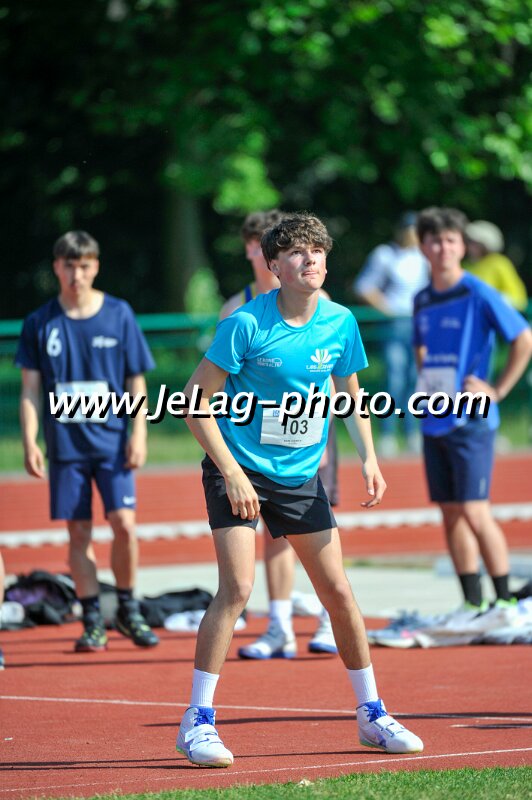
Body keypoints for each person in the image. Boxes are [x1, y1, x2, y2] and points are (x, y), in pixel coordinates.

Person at [176, 212, 423, 767]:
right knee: (237, 589)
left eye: (317, 251)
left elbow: (350, 393)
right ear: (274, 266)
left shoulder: (340, 321)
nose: (309, 259)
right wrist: (232, 473)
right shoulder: (245, 323)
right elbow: (193, 402)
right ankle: (198, 721)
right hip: (238, 466)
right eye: (295, 252)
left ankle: (372, 713)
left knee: (338, 592)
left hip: (300, 474)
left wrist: (369, 457)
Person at [15, 230, 159, 653]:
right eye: (68, 266)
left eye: (84, 266)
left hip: (113, 443)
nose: (76, 274)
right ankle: (92, 618)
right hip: (66, 447)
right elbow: (29, 390)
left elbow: (136, 380)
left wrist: (139, 431)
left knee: (124, 525)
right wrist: (30, 440)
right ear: (56, 268)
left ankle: (128, 608)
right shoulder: (40, 322)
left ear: (95, 267)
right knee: (78, 532)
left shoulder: (119, 313)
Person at [222, 210, 339, 659]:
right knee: (270, 534)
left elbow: (335, 374)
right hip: (256, 439)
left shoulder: (319, 298)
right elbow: (218, 384)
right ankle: (280, 624)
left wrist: (323, 435)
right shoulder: (238, 310)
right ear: (255, 253)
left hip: (308, 434)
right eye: (254, 244)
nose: (258, 251)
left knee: (317, 533)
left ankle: (328, 616)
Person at [414, 207, 532, 616]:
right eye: (434, 241)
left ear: (462, 246)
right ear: (423, 247)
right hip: (434, 418)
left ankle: (505, 598)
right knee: (450, 513)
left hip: (472, 419)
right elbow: (421, 348)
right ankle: (472, 602)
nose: (443, 248)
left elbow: (523, 339)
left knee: (474, 509)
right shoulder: (422, 298)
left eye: (451, 240)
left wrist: (496, 390)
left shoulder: (478, 293)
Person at [354, 212, 430, 457]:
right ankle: (387, 433)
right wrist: (387, 308)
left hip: (418, 323)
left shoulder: (423, 257)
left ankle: (412, 432)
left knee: (415, 379)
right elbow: (364, 286)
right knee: (394, 379)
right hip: (395, 323)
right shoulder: (385, 255)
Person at [465, 220, 528, 311]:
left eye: (473, 242)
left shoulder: (499, 263)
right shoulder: (466, 265)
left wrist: (493, 299)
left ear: (484, 245)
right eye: (468, 241)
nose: (469, 245)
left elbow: (519, 299)